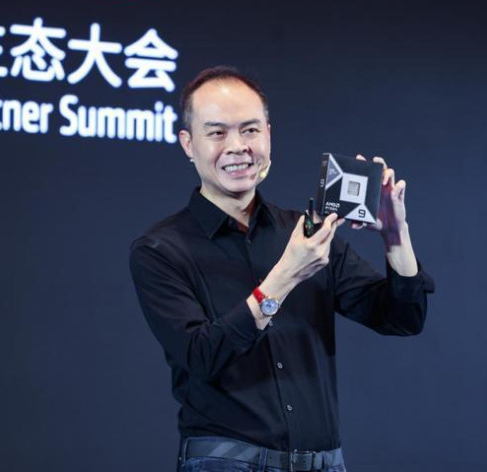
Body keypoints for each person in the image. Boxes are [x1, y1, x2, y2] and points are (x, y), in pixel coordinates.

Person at [129, 66, 435, 472]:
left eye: (250, 130)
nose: (237, 147)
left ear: (268, 135)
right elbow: (201, 356)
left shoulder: (307, 231)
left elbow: (402, 318)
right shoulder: (160, 249)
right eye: (217, 133)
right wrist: (285, 276)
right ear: (188, 143)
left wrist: (396, 235)